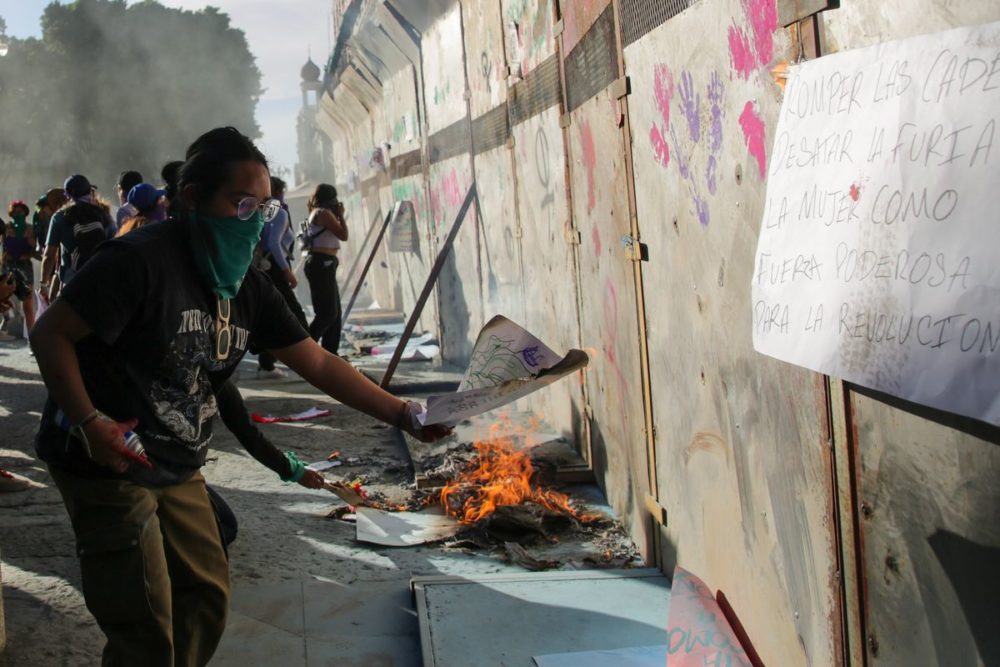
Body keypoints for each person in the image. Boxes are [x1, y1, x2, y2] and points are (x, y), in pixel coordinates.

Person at [30, 126, 448, 666]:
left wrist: (404, 413)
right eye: (240, 203)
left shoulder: (247, 288)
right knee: (144, 617)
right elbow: (50, 334)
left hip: (176, 458)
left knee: (205, 596)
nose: (253, 222)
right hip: (106, 453)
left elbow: (318, 361)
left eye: (265, 208)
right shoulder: (137, 261)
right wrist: (88, 423)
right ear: (192, 199)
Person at [256, 175, 308, 378]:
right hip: (276, 269)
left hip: (267, 268)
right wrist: (287, 271)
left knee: (273, 314)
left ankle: (267, 362)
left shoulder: (264, 212)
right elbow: (274, 245)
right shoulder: (278, 213)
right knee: (295, 314)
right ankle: (305, 363)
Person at [39, 174, 115, 302]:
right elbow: (114, 243)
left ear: (67, 195)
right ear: (89, 191)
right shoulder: (102, 213)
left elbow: (49, 255)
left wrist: (43, 284)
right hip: (99, 278)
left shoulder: (60, 217)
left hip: (71, 280)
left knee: (66, 320)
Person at [303, 183, 348, 356]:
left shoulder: (319, 212)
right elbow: (343, 235)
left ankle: (331, 353)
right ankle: (305, 350)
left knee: (334, 314)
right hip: (321, 264)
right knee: (327, 314)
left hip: (324, 263)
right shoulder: (323, 213)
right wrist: (341, 217)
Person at [3, 200, 38, 332]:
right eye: (16, 212)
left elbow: (36, 250)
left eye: (21, 211)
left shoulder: (30, 229)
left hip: (24, 266)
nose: (18, 214)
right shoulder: (7, 228)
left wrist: (30, 243)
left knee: (27, 301)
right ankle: (9, 325)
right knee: (6, 297)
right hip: (9, 265)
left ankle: (31, 334)